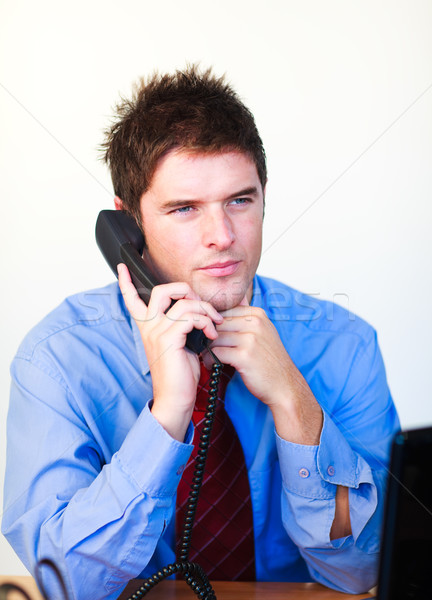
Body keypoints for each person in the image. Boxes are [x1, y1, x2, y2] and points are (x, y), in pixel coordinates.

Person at [2, 66, 399, 600]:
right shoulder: (57, 359)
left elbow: (361, 572)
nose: (223, 237)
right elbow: (66, 583)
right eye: (184, 208)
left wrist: (295, 402)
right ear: (129, 225)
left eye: (240, 200)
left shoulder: (346, 345)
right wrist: (166, 413)